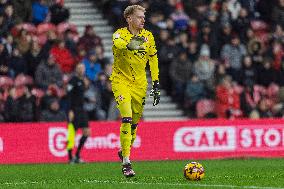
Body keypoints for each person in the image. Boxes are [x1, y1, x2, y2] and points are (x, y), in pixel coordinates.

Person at [111, 5, 160, 177]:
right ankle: (126, 162)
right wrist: (137, 42)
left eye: (143, 17)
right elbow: (122, 45)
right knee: (126, 118)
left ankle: (123, 151)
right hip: (120, 81)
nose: (143, 20)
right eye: (139, 17)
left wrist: (156, 82)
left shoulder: (149, 36)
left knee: (134, 125)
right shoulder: (119, 34)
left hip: (140, 85)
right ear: (129, 18)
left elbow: (153, 59)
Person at [66, 63, 90, 164]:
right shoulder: (72, 80)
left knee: (87, 132)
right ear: (76, 69)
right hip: (74, 109)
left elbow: (81, 94)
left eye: (83, 68)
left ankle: (77, 155)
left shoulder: (82, 80)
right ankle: (70, 157)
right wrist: (70, 110)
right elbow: (69, 96)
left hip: (82, 109)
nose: (81, 70)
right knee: (72, 133)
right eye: (79, 68)